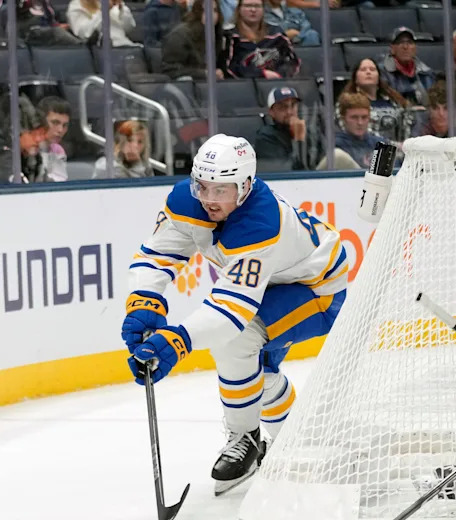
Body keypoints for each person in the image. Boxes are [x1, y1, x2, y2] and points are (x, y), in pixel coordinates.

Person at [123, 134, 347, 493]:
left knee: (237, 342)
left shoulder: (260, 222)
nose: (210, 200)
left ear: (245, 186)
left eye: (221, 190)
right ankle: (298, 443)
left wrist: (177, 341)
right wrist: (144, 300)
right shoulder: (186, 199)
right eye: (204, 186)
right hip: (274, 279)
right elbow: (157, 254)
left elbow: (230, 312)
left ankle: (249, 437)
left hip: (315, 286)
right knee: (260, 374)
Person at [340, 57, 411, 142]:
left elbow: (406, 129)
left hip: (396, 152)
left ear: (379, 77)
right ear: (355, 78)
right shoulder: (347, 103)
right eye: (363, 70)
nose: (368, 72)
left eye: (372, 69)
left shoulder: (394, 101)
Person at [224, 0, 300, 79]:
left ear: (263, 9)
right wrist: (261, 74)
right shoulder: (231, 36)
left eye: (257, 6)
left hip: (278, 82)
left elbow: (292, 61)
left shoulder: (277, 34)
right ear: (239, 9)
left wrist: (279, 75)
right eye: (248, 6)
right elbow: (228, 67)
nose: (253, 10)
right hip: (244, 85)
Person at [253, 86, 319, 172]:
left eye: (293, 105)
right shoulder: (265, 136)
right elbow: (288, 170)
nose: (289, 112)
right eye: (282, 107)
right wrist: (299, 140)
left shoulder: (307, 131)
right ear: (271, 112)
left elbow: (320, 161)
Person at [161, 0, 225, 80]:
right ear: (197, 12)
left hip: (206, 85)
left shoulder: (217, 34)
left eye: (215, 10)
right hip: (184, 85)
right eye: (206, 10)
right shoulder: (180, 35)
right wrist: (204, 74)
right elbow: (171, 70)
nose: (211, 15)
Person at [378, 27, 434, 107]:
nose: (405, 47)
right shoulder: (382, 72)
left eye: (410, 43)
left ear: (415, 49)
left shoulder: (426, 72)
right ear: (392, 49)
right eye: (400, 42)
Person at [333, 91, 390, 169]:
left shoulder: (381, 144)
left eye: (364, 117)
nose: (360, 122)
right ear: (343, 118)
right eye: (354, 117)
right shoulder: (334, 146)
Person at [20, 96, 70, 183]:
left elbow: (59, 183)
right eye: (55, 123)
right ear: (41, 121)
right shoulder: (21, 145)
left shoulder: (57, 150)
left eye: (65, 125)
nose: (60, 130)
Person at [67, 0, 138, 47]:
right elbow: (84, 33)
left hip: (125, 45)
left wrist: (121, 9)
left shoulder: (113, 2)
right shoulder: (76, 5)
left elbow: (129, 29)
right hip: (100, 50)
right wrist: (103, 11)